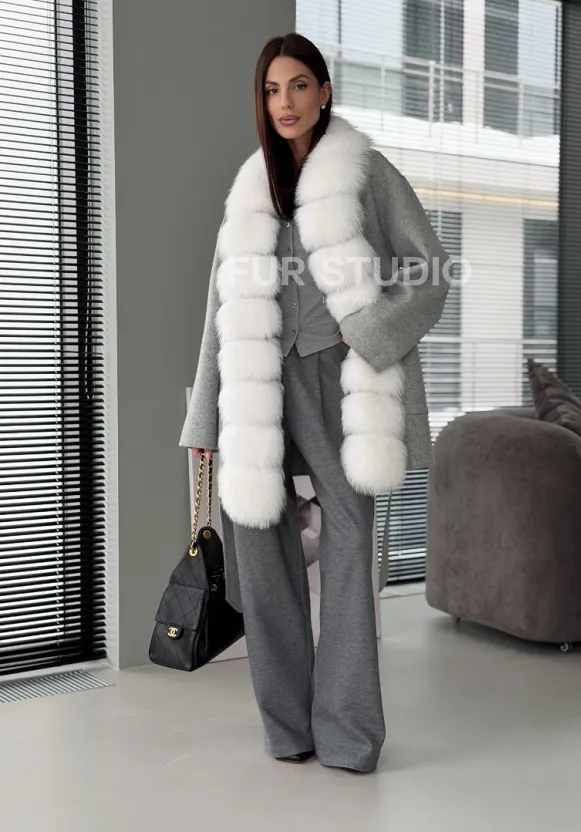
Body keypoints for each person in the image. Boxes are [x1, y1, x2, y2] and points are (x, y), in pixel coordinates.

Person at [179, 32, 452, 773]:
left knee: (350, 551)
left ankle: (348, 733)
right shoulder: (250, 189)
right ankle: (288, 728)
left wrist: (370, 331)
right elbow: (219, 313)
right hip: (258, 390)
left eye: (299, 85)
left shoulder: (366, 172)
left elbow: (429, 270)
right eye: (272, 90)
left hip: (342, 382)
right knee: (262, 558)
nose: (286, 102)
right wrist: (204, 419)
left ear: (324, 91)